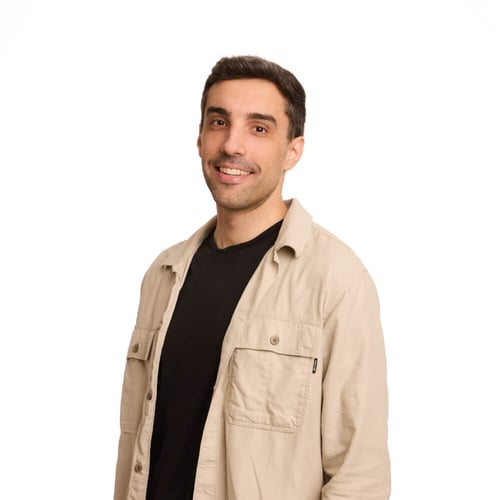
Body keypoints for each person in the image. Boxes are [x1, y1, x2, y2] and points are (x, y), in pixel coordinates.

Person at [114, 55, 391, 500]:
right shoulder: (163, 275)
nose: (232, 145)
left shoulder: (335, 280)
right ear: (200, 137)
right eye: (219, 122)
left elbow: (359, 475)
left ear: (293, 150)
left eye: (258, 128)